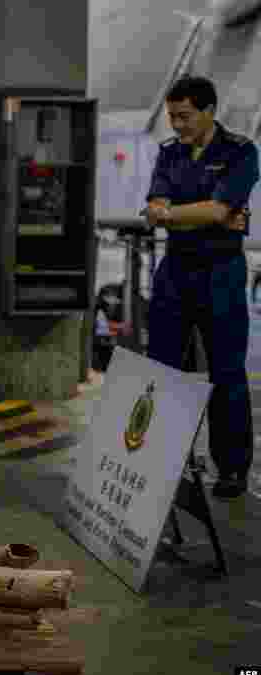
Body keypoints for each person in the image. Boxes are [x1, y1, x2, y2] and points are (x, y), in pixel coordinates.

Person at [144, 75, 259, 499]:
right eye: (172, 116)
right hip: (175, 272)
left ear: (209, 111)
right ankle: (157, 460)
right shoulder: (169, 153)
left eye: (184, 116)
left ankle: (231, 469)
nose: (176, 124)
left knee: (226, 373)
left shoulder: (241, 152)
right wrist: (205, 213)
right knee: (160, 370)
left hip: (220, 274)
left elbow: (217, 209)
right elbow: (160, 208)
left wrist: (179, 213)